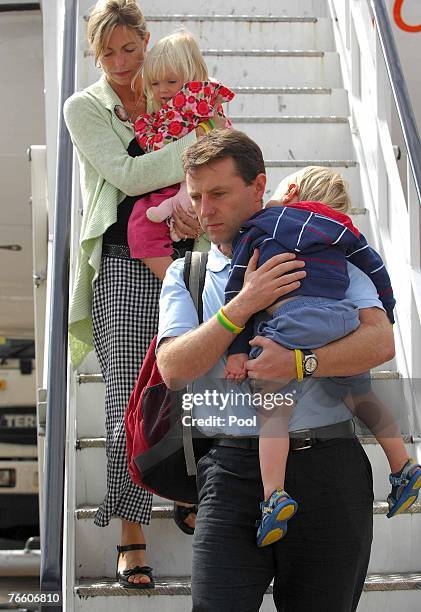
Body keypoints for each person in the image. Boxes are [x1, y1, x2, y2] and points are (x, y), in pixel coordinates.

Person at [156, 129, 396, 611]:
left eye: (219, 193)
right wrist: (243, 304)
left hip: (330, 468)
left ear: (257, 186)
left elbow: (381, 340)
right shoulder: (189, 273)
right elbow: (174, 369)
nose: (205, 210)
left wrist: (299, 363)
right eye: (197, 196)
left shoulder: (325, 252)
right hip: (231, 470)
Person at [63, 0, 223, 589]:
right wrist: (203, 143)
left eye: (130, 48)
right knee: (130, 389)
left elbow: (217, 162)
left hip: (192, 246)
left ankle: (194, 488)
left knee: (203, 376)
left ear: (146, 40)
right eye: (107, 52)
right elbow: (129, 178)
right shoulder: (85, 107)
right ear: (94, 52)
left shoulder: (170, 84)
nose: (121, 63)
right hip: (125, 260)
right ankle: (131, 529)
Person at [222, 165, 420, 547]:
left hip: (292, 316)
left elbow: (238, 290)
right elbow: (375, 270)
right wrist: (388, 311)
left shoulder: (260, 225)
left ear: (292, 190)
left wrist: (236, 350)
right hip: (341, 318)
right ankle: (402, 464)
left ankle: (273, 495)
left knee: (273, 405)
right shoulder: (343, 230)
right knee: (361, 395)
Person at [127, 30, 234, 276]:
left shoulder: (208, 110)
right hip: (169, 188)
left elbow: (227, 143)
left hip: (204, 187)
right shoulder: (162, 115)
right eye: (154, 83)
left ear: (193, 78)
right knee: (141, 225)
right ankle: (175, 282)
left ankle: (197, 284)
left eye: (171, 82)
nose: (162, 90)